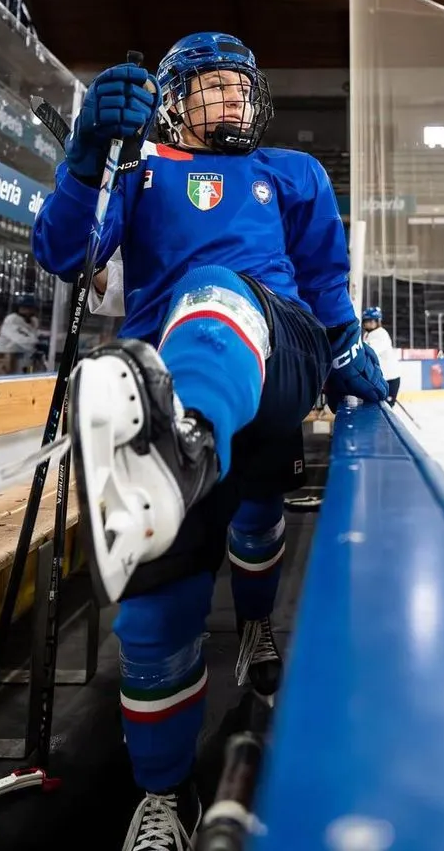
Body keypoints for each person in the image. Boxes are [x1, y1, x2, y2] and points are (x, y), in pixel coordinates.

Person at [32, 32, 387, 851]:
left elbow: (324, 281)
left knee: (217, 293)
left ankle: (185, 453)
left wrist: (345, 355)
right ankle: (164, 794)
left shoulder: (292, 173)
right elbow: (64, 252)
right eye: (213, 86)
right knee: (156, 617)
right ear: (171, 100)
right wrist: (86, 160)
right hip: (164, 376)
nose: (232, 98)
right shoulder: (137, 168)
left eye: (241, 87)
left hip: (277, 346)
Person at [87, 249, 304, 696]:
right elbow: (121, 276)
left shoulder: (288, 197)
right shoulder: (137, 197)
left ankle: (256, 623)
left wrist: (335, 345)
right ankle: (171, 651)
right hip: (172, 366)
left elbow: (312, 264)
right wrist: (92, 260)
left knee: (259, 513)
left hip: (264, 351)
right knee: (167, 564)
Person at [0, 293, 42, 373]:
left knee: (27, 373)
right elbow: (20, 339)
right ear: (18, 308)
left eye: (30, 308)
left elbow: (33, 335)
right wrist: (37, 343)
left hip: (23, 355)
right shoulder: (12, 319)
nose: (27, 310)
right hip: (4, 353)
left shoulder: (34, 321)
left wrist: (40, 339)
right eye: (23, 308)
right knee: (7, 377)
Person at [362, 306, 400, 406]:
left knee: (385, 409)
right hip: (380, 380)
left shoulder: (381, 334)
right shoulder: (367, 334)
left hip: (390, 380)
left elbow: (370, 352)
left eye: (371, 321)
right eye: (366, 321)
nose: (368, 323)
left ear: (377, 321)